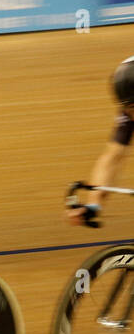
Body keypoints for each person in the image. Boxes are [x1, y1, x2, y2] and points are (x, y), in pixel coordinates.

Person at [68, 56, 134, 225]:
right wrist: (94, 203)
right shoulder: (128, 112)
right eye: (129, 108)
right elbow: (112, 158)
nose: (131, 114)